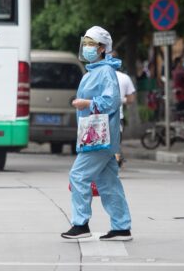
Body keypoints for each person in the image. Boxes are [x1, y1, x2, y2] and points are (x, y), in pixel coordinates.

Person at [61, 26, 132, 241]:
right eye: (86, 43)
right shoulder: (95, 70)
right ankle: (121, 227)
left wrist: (87, 103)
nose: (87, 47)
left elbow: (111, 101)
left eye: (91, 44)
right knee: (108, 182)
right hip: (97, 134)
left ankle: (81, 224)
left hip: (99, 136)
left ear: (102, 48)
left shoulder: (105, 72)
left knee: (78, 176)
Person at [111, 51, 136, 167]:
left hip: (100, 117)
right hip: (117, 117)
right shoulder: (125, 78)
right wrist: (120, 100)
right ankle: (116, 159)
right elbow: (131, 99)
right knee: (115, 143)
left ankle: (114, 161)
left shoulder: (98, 76)